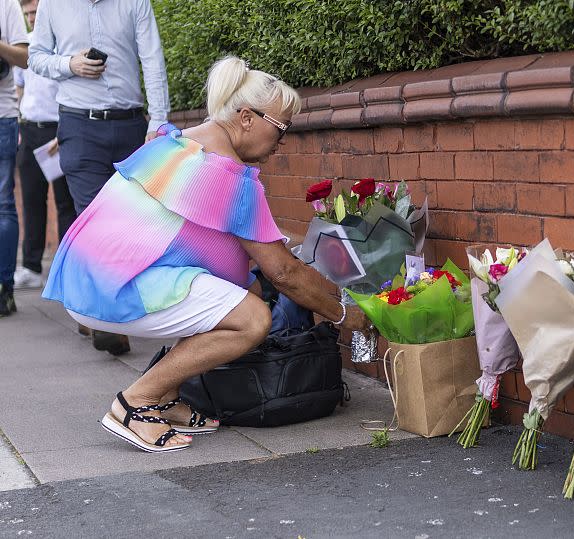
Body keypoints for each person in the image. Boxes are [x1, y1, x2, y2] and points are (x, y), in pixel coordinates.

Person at [42, 56, 368, 453]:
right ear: (247, 118)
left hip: (85, 276)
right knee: (251, 319)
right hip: (112, 288)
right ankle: (137, 402)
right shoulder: (229, 177)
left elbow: (212, 253)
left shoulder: (178, 141)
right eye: (281, 129)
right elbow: (283, 273)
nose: (283, 143)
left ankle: (166, 397)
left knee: (237, 297)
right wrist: (343, 312)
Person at [28, 0, 171, 350]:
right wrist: (69, 64)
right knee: (92, 218)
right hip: (78, 125)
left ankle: (93, 307)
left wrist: (158, 120)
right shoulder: (52, 4)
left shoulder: (135, 2)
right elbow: (36, 56)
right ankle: (106, 317)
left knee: (131, 220)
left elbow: (151, 58)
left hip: (130, 125)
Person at [12, 0, 76, 291]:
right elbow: (20, 88)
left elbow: (69, 90)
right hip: (29, 130)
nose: (32, 18)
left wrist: (63, 132)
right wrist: (19, 124)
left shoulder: (60, 43)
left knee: (65, 202)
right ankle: (32, 267)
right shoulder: (24, 46)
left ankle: (65, 268)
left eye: (35, 13)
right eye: (27, 14)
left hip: (57, 131)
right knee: (31, 200)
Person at [0, 0, 30, 317]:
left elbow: (24, 57)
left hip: (1, 117)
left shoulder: (7, 4)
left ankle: (3, 288)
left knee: (2, 203)